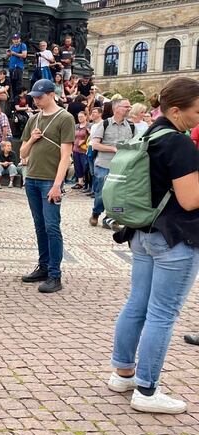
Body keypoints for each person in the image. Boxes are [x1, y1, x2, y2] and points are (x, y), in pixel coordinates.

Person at [108, 77, 199, 414]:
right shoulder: (179, 144)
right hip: (175, 237)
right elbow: (190, 200)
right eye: (196, 111)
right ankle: (147, 391)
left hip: (142, 232)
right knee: (162, 314)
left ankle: (123, 372)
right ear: (176, 110)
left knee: (137, 304)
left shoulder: (144, 133)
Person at [19, 79, 75, 293]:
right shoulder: (33, 119)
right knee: (39, 225)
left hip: (49, 181)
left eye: (39, 96)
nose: (35, 100)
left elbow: (65, 156)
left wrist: (57, 185)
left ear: (52, 94)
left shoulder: (65, 118)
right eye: (33, 96)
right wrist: (32, 140)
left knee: (52, 226)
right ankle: (43, 266)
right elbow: (23, 153)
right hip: (31, 178)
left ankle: (55, 274)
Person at [89, 99, 134, 230]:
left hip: (122, 166)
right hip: (104, 164)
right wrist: (113, 149)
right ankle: (96, 213)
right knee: (102, 194)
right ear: (116, 108)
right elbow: (95, 144)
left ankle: (109, 219)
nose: (129, 109)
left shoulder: (131, 126)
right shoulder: (104, 124)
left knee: (117, 194)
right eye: (126, 106)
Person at [71, 111, 91, 190]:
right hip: (75, 149)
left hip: (84, 149)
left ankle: (87, 182)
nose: (80, 118)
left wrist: (84, 140)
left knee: (85, 166)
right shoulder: (76, 126)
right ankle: (80, 182)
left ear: (86, 117)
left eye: (82, 117)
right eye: (79, 117)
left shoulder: (89, 126)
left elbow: (91, 136)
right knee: (77, 166)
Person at [7, 33, 27, 97]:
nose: (16, 40)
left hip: (18, 67)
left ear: (20, 39)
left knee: (19, 84)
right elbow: (8, 56)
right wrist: (8, 54)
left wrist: (14, 53)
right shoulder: (11, 46)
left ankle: (19, 98)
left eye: (17, 39)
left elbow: (24, 55)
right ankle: (14, 98)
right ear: (12, 40)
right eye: (15, 39)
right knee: (13, 84)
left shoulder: (22, 45)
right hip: (11, 67)